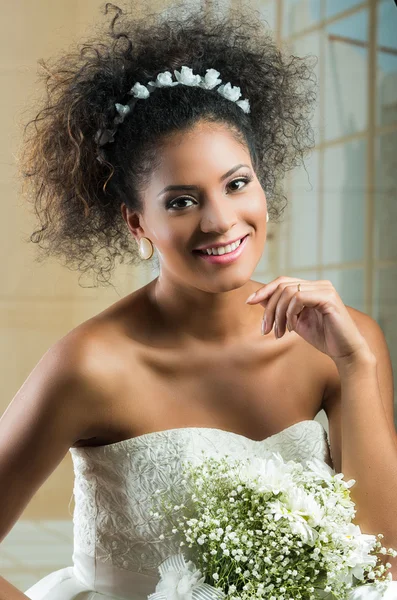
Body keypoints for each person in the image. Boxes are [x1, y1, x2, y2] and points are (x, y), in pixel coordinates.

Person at [1, 1, 396, 598]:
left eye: (237, 184)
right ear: (138, 225)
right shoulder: (89, 366)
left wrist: (357, 367)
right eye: (181, 201)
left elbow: (382, 565)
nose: (220, 221)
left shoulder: (346, 340)